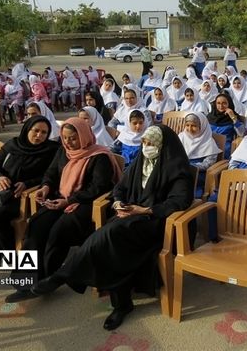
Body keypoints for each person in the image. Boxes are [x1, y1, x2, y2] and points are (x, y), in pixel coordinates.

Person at [30, 125, 193, 331]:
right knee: (109, 240)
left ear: (162, 146)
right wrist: (117, 203)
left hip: (156, 223)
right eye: (144, 142)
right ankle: (120, 304)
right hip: (129, 218)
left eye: (151, 144)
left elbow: (179, 201)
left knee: (109, 235)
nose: (146, 147)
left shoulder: (176, 167)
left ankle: (64, 275)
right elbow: (120, 188)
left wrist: (144, 210)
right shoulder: (139, 164)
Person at [6, 117, 122, 303]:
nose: (68, 142)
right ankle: (25, 279)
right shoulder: (64, 151)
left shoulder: (100, 156)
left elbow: (97, 188)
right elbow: (51, 174)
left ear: (84, 136)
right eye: (65, 138)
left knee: (59, 230)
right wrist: (45, 187)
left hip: (86, 203)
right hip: (61, 198)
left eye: (73, 138)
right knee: (37, 224)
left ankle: (46, 280)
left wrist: (69, 200)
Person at [0, 116, 60, 250]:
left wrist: (27, 184)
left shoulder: (52, 150)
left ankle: (9, 251)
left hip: (22, 195)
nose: (39, 135)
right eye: (36, 130)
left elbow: (50, 175)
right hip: (0, 190)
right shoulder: (13, 144)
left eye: (44, 132)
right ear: (27, 129)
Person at [179, 113, 221, 199]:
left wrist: (189, 166)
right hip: (181, 169)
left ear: (202, 126)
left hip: (198, 173)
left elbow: (207, 164)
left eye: (194, 126)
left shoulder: (209, 142)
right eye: (187, 125)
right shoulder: (181, 137)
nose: (189, 129)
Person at [207, 93, 245, 159]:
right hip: (209, 145)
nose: (221, 106)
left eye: (224, 103)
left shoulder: (233, 117)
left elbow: (241, 133)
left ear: (229, 104)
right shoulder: (210, 117)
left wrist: (233, 117)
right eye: (218, 103)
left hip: (224, 147)